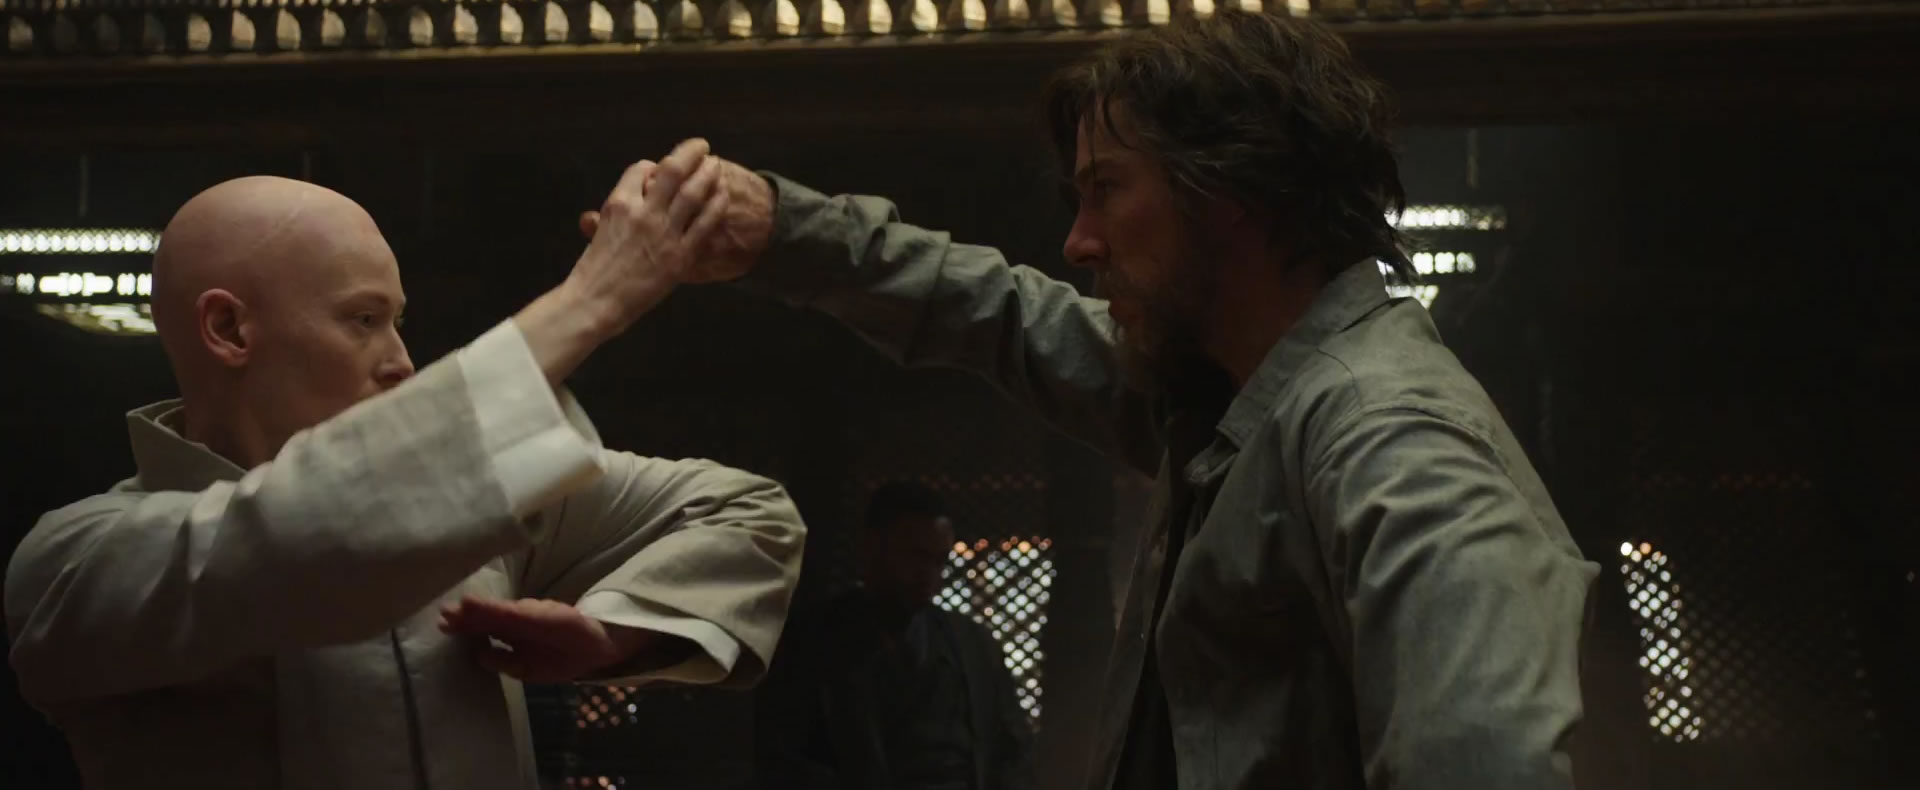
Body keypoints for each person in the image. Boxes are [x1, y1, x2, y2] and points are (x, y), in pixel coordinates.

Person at [589, 11, 1600, 790]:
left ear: (1232, 193)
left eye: (1107, 188)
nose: (1079, 240)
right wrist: (782, 230)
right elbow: (1005, 316)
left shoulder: (1386, 434)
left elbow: (1486, 763)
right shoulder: (1234, 396)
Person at [4, 140, 808, 790]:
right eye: (362, 320)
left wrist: (618, 634)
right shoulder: (76, 565)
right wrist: (593, 300)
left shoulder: (469, 518)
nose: (401, 362)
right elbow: (303, 536)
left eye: (396, 322)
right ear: (229, 330)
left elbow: (744, 511)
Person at [755, 482, 1033, 790]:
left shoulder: (972, 644)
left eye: (939, 561)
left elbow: (1013, 750)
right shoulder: (811, 640)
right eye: (916, 556)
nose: (929, 575)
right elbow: (783, 758)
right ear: (872, 548)